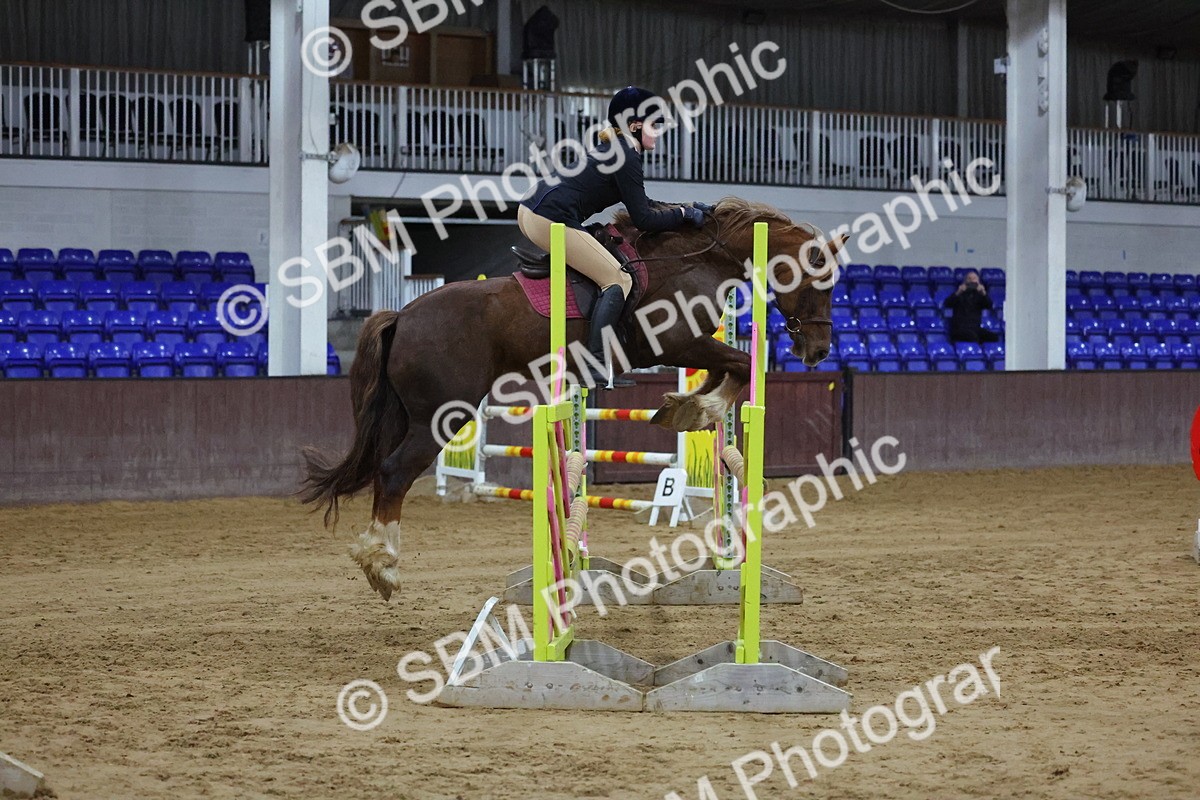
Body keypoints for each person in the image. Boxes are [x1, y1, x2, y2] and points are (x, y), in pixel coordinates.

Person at [518, 85, 706, 388]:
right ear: (634, 125)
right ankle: (593, 364)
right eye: (653, 125)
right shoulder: (627, 154)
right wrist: (683, 217)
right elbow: (643, 218)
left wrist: (684, 208)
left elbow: (642, 204)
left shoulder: (617, 148)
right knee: (618, 279)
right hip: (547, 216)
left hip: (533, 209)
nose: (657, 132)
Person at [943, 270, 998, 343]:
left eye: (974, 279)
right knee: (973, 337)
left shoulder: (979, 296)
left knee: (993, 337)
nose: (972, 281)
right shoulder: (959, 295)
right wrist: (958, 292)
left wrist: (984, 293)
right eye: (969, 279)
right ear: (965, 281)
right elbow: (947, 304)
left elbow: (989, 305)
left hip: (975, 328)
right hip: (960, 329)